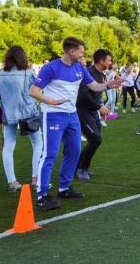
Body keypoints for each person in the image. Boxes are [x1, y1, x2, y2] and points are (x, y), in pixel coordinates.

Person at [29, 37, 123, 210]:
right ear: (71, 52)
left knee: (74, 150)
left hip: (72, 115)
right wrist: (51, 101)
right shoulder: (51, 68)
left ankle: (64, 188)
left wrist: (110, 85)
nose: (83, 55)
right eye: (81, 51)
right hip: (53, 115)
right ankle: (42, 195)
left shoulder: (80, 68)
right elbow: (33, 91)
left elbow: (94, 86)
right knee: (50, 153)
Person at [0, 46, 44, 192]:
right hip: (28, 113)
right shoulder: (28, 73)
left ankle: (12, 182)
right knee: (38, 145)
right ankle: (36, 179)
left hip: (8, 114)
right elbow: (36, 91)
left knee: (8, 147)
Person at [75, 49, 113, 181]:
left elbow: (97, 94)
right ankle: (81, 169)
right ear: (101, 61)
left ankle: (79, 167)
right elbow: (83, 95)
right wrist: (99, 107)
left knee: (95, 141)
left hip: (93, 112)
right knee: (96, 139)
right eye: (109, 60)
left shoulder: (101, 74)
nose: (110, 62)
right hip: (83, 112)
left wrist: (100, 109)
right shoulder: (89, 73)